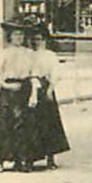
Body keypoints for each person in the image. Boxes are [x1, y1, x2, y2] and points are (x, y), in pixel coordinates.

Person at [0, 21, 42, 172]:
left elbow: (34, 75)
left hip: (25, 89)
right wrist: (7, 85)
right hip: (8, 91)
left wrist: (34, 95)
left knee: (26, 125)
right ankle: (1, 160)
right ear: (10, 36)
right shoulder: (4, 53)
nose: (19, 37)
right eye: (16, 34)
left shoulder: (30, 54)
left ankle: (23, 160)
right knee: (4, 124)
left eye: (21, 34)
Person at [26, 23, 70, 169]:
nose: (36, 42)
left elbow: (55, 73)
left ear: (45, 40)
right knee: (31, 124)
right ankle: (31, 158)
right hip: (30, 87)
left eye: (39, 39)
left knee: (49, 123)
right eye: (34, 39)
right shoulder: (29, 55)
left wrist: (50, 89)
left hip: (44, 88)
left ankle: (50, 158)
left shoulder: (50, 55)